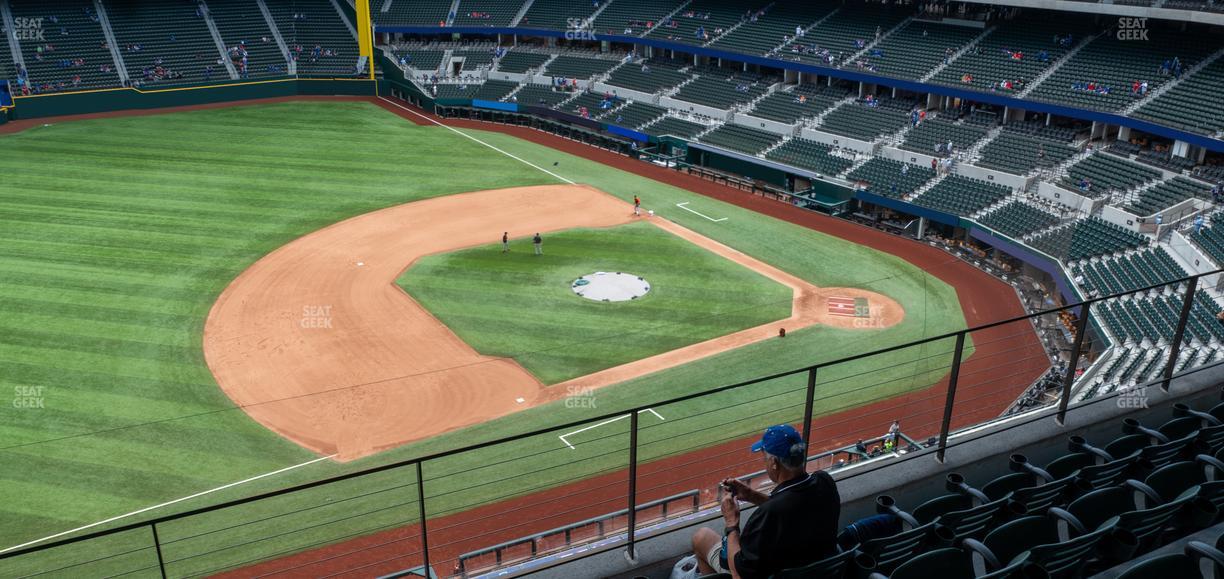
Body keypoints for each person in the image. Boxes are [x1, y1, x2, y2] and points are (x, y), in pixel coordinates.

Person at [692, 425, 840, 578]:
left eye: (765, 458)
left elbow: (739, 575)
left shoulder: (768, 515)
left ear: (774, 462)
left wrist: (731, 524)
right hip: (820, 571)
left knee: (701, 537)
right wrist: (751, 495)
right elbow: (792, 509)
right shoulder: (825, 481)